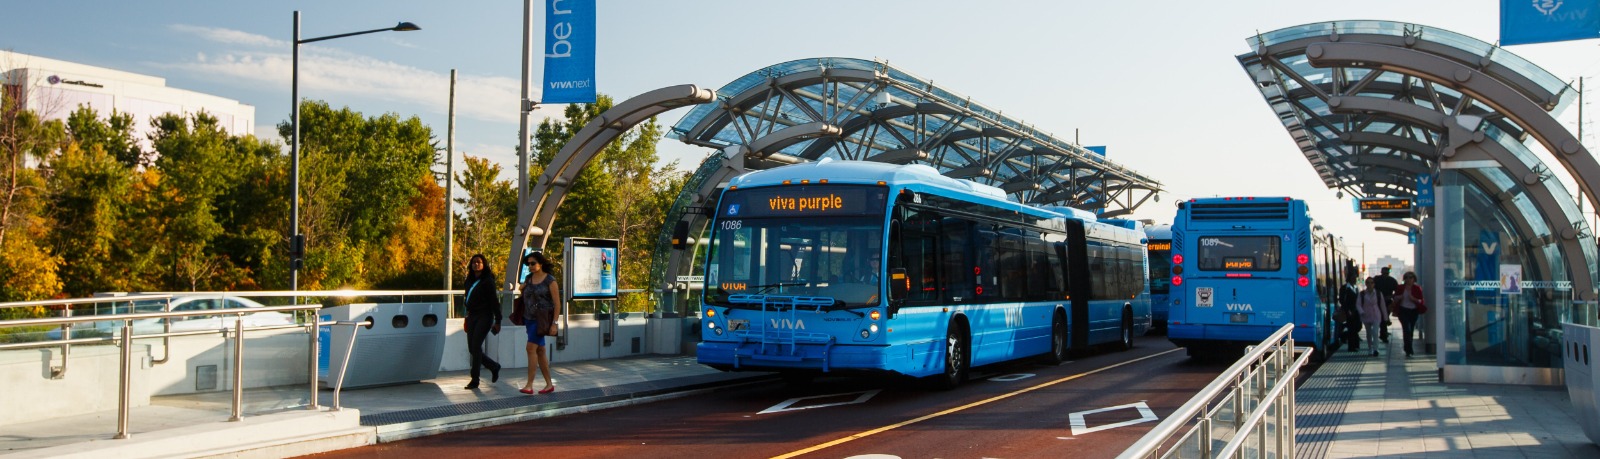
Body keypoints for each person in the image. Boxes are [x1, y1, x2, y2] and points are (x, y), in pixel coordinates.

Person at [519, 251, 561, 395]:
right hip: (528, 318)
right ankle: (549, 384)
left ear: (540, 263)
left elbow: (557, 304)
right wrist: (522, 288)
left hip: (542, 319)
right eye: (528, 264)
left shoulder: (550, 280)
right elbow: (523, 292)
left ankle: (529, 385)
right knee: (540, 351)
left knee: (530, 348)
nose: (530, 266)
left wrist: (554, 323)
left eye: (533, 263)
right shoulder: (528, 278)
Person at [461, 254, 502, 390]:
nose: (476, 264)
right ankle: (493, 366)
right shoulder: (469, 280)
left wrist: (498, 320)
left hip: (484, 316)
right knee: (472, 349)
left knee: (476, 346)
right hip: (472, 316)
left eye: (479, 262)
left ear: (484, 264)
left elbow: (494, 302)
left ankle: (475, 379)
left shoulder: (488, 281)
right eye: (474, 262)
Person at [1391, 271, 1425, 357]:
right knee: (1406, 329)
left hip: (1413, 311)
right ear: (1404, 279)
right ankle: (1409, 349)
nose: (1409, 279)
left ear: (1414, 279)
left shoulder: (1417, 288)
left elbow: (1421, 300)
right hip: (1403, 310)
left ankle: (1408, 347)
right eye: (1407, 277)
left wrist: (1414, 299)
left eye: (1411, 277)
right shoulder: (1400, 288)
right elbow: (1394, 298)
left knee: (1411, 329)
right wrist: (1400, 297)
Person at [1358, 277, 1385, 356]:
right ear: (1366, 284)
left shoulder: (1378, 293)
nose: (1370, 284)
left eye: (1371, 282)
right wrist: (1361, 312)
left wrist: (1385, 317)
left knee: (1375, 332)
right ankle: (1370, 348)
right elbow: (1358, 304)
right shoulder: (1362, 294)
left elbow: (1382, 305)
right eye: (1368, 282)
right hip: (1366, 315)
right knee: (1369, 333)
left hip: (1376, 315)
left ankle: (1376, 349)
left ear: (1374, 284)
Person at [1337, 271, 1362, 352]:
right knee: (1352, 329)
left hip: (1356, 311)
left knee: (1358, 326)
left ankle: (1344, 335)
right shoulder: (1345, 288)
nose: (1355, 279)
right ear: (1349, 278)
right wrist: (1347, 310)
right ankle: (1352, 347)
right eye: (1353, 278)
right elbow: (1342, 300)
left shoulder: (1355, 287)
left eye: (1355, 278)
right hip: (1349, 311)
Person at [1373, 266, 1398, 344]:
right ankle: (1383, 334)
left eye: (1386, 273)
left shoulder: (1392, 280)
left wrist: (1391, 297)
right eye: (1384, 273)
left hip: (1387, 302)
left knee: (1384, 317)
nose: (1385, 275)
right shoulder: (1377, 279)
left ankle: (1383, 334)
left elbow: (1397, 291)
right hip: (1378, 301)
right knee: (1383, 318)